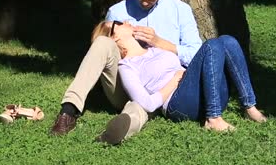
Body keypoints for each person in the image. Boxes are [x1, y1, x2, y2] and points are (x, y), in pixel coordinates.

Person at [50, 0, 203, 143]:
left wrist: (160, 43)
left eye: (152, 0)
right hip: (126, 81)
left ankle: (117, 130)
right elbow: (105, 47)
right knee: (102, 43)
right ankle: (69, 110)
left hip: (161, 85)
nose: (145, 3)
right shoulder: (117, 12)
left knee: (137, 109)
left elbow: (197, 53)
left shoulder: (180, 10)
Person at [92, 20, 266, 140]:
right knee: (212, 45)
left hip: (201, 91)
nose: (125, 21)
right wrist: (173, 83)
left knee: (227, 41)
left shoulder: (152, 49)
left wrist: (158, 42)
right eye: (119, 23)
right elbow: (147, 103)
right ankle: (213, 119)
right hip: (179, 103)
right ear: (114, 37)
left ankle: (249, 106)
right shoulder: (127, 66)